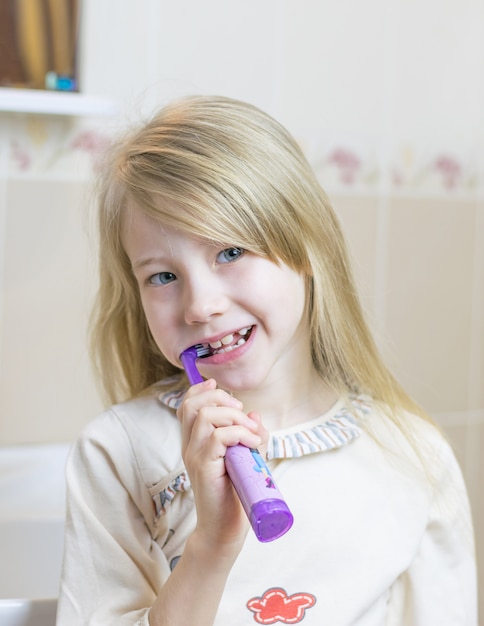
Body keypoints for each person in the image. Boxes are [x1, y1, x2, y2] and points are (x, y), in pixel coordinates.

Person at [57, 95, 477, 626]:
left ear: (306, 247)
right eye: (163, 276)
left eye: (230, 252)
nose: (200, 304)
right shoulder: (120, 454)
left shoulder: (414, 456)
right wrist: (211, 545)